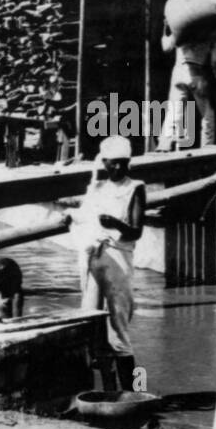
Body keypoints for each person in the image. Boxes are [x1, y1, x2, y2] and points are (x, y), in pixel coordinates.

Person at [72, 134, 146, 389]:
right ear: (104, 163)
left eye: (122, 162)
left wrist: (115, 223)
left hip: (118, 258)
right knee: (93, 323)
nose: (117, 167)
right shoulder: (98, 189)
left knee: (119, 329)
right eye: (112, 162)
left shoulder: (135, 187)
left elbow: (136, 231)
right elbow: (84, 217)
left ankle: (132, 391)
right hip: (95, 257)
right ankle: (108, 391)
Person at [156, 16, 216, 150]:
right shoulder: (214, 29)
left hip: (179, 72)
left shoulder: (182, 24)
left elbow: (166, 47)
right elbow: (215, 61)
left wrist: (166, 28)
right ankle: (207, 147)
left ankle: (164, 145)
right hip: (198, 72)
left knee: (174, 111)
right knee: (207, 114)